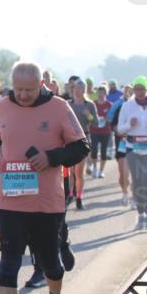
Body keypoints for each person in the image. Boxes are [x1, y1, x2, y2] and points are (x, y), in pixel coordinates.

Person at [0, 61, 88, 294]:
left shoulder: (59, 107)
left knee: (51, 265)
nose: (23, 95)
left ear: (41, 85)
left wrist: (51, 157)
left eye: (30, 90)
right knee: (9, 264)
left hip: (46, 202)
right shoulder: (4, 106)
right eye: (19, 89)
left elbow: (81, 147)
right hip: (11, 200)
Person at [117, 75, 147, 230]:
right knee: (137, 181)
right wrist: (129, 125)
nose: (139, 92)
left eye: (142, 89)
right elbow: (120, 128)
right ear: (133, 90)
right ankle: (140, 216)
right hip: (133, 148)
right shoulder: (127, 106)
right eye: (137, 89)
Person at [68, 79, 98, 209]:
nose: (77, 90)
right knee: (70, 171)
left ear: (84, 90)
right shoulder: (68, 104)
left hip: (83, 138)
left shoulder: (89, 105)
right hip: (69, 139)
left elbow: (96, 123)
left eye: (80, 88)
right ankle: (70, 195)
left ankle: (79, 198)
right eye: (75, 88)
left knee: (79, 172)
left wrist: (89, 115)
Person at [109, 84, 134, 206]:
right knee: (123, 174)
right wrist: (118, 131)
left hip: (136, 144)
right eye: (127, 92)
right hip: (122, 143)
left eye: (131, 92)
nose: (129, 94)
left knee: (135, 174)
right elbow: (113, 124)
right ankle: (125, 193)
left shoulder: (139, 109)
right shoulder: (120, 107)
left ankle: (134, 198)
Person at [90, 86, 114, 179]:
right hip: (94, 130)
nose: (101, 94)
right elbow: (89, 117)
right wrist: (93, 119)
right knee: (94, 150)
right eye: (99, 92)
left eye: (103, 92)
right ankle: (95, 168)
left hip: (105, 131)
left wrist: (108, 119)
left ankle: (101, 171)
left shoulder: (110, 105)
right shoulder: (93, 104)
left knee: (104, 152)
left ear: (106, 93)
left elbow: (112, 118)